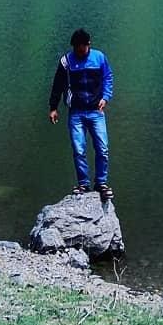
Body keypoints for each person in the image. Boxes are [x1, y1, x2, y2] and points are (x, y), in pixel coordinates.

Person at [48, 28, 114, 200]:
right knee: (79, 149)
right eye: (76, 48)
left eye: (81, 48)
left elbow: (108, 77)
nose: (78, 51)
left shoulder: (99, 58)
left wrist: (105, 98)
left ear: (88, 45)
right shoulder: (66, 61)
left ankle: (101, 183)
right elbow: (57, 84)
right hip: (76, 112)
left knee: (103, 148)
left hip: (96, 111)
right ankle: (83, 184)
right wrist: (53, 108)